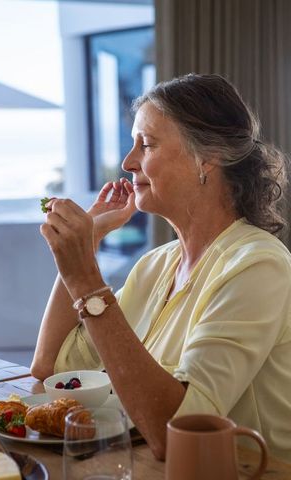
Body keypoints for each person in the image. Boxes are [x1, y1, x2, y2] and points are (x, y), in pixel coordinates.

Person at [31, 73, 291, 462]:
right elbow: (50, 368)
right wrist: (86, 247)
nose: (127, 161)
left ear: (207, 156)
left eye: (147, 144)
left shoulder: (259, 266)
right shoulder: (155, 266)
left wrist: (86, 277)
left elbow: (178, 433)